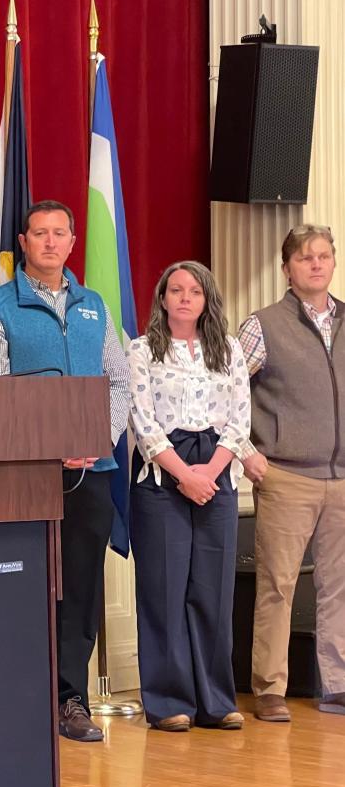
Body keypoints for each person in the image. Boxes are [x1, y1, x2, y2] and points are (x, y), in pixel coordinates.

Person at [0, 200, 128, 743]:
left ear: (72, 240)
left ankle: (70, 698)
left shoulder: (96, 307)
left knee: (80, 587)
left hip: (93, 469)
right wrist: (42, 448)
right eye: (41, 234)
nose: (52, 242)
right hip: (25, 474)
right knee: (23, 582)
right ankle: (19, 696)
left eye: (61, 233)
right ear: (23, 241)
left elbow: (120, 381)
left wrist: (94, 439)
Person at [127, 261, 249, 732]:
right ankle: (169, 701)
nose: (183, 298)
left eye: (193, 291)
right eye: (174, 290)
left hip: (217, 468)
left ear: (206, 300)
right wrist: (183, 475)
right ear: (161, 299)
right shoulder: (142, 351)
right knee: (164, 589)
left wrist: (211, 474)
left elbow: (241, 419)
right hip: (163, 474)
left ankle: (216, 701)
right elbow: (141, 421)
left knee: (212, 591)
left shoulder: (229, 350)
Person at [238, 225, 345, 723]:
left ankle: (337, 685)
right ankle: (270, 688)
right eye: (306, 259)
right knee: (278, 585)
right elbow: (228, 389)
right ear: (287, 269)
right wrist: (244, 451)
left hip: (341, 478)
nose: (316, 265)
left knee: (338, 586)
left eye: (324, 257)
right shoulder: (262, 325)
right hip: (285, 475)